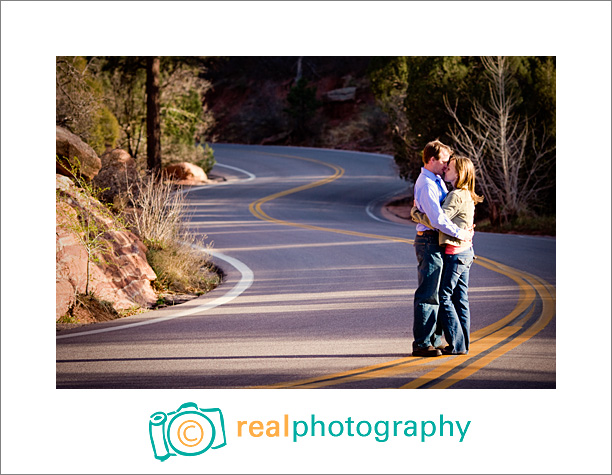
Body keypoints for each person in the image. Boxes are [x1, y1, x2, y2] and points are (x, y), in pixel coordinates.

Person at [411, 155, 483, 355]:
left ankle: (458, 345)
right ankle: (464, 344)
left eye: (449, 167)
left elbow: (437, 221)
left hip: (455, 253)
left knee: (443, 297)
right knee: (460, 299)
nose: (445, 170)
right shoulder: (467, 194)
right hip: (467, 251)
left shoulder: (455, 196)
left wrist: (416, 212)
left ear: (459, 173)